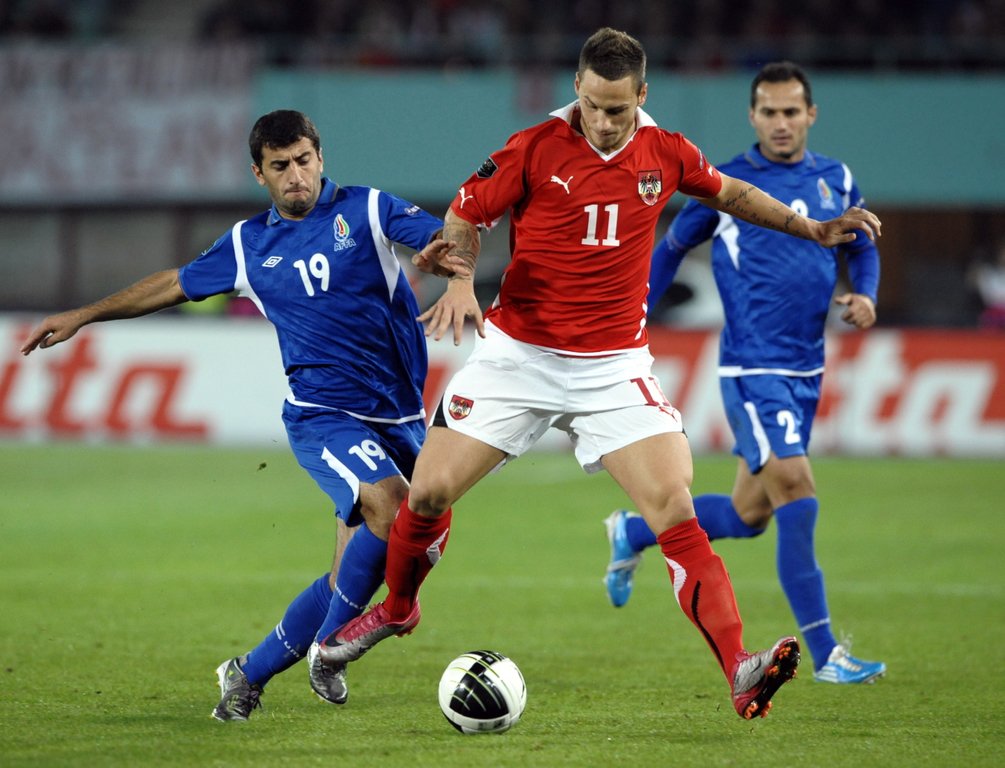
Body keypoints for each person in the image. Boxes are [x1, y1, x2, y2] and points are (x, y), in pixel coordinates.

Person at [315, 30, 882, 720]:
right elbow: (465, 213)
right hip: (518, 356)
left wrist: (813, 229)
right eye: (592, 106)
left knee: (673, 506)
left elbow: (732, 193)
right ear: (576, 89)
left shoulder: (666, 151)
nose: (604, 122)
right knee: (427, 492)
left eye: (617, 109)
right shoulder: (532, 148)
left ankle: (740, 666)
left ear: (640, 95)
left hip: (613, 368)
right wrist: (460, 281)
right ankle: (400, 607)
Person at [20, 110, 459, 720]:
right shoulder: (248, 245)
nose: (295, 175)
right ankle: (330, 650)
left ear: (320, 158)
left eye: (303, 160)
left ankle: (245, 675)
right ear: (260, 174)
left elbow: (445, 235)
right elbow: (173, 284)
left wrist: (450, 266)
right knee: (390, 504)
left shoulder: (367, 209)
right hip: (323, 415)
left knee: (362, 571)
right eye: (280, 166)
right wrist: (84, 314)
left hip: (402, 416)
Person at [602, 61, 887, 685]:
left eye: (791, 111)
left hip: (807, 368)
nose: (781, 123)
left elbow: (862, 244)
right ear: (753, 116)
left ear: (810, 115)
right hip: (752, 369)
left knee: (749, 514)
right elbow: (673, 246)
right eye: (769, 112)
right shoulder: (727, 185)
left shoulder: (836, 178)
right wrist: (635, 312)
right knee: (797, 488)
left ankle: (632, 531)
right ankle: (827, 655)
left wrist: (865, 294)